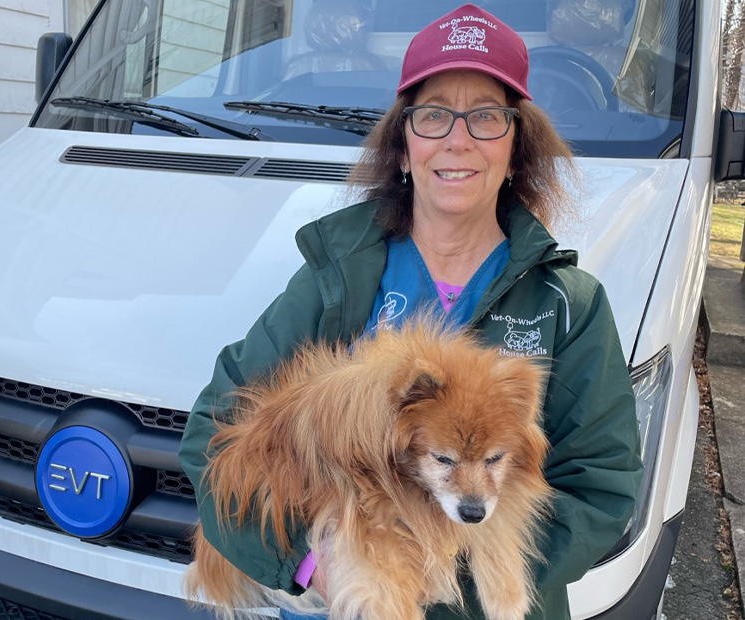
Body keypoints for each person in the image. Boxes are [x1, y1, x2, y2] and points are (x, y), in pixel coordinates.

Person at [178, 4, 643, 619]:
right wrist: (309, 560)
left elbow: (602, 488)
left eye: (486, 117)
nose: (457, 138)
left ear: (516, 150)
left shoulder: (568, 302)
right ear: (402, 147)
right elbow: (213, 432)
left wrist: (443, 578)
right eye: (433, 115)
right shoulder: (336, 275)